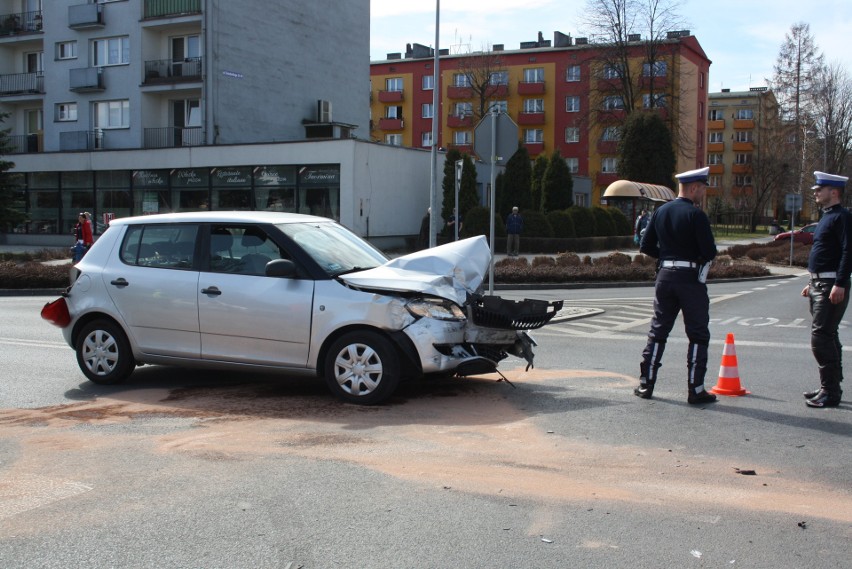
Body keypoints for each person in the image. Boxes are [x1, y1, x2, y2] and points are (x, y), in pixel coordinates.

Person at [635, 167, 718, 405]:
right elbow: (709, 252)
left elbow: (645, 245)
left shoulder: (660, 211)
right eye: (702, 189)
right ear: (694, 188)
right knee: (698, 334)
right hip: (690, 280)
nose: (702, 193)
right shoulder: (696, 215)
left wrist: (666, 255)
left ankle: (646, 384)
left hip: (665, 276)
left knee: (658, 331)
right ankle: (696, 389)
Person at [801, 171, 851, 408]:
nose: (816, 193)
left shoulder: (842, 217)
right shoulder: (827, 217)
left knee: (821, 337)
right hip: (819, 284)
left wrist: (840, 283)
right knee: (829, 336)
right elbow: (824, 252)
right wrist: (810, 282)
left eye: (819, 189)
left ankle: (830, 391)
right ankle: (830, 387)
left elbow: (847, 252)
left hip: (831, 285)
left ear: (834, 192)